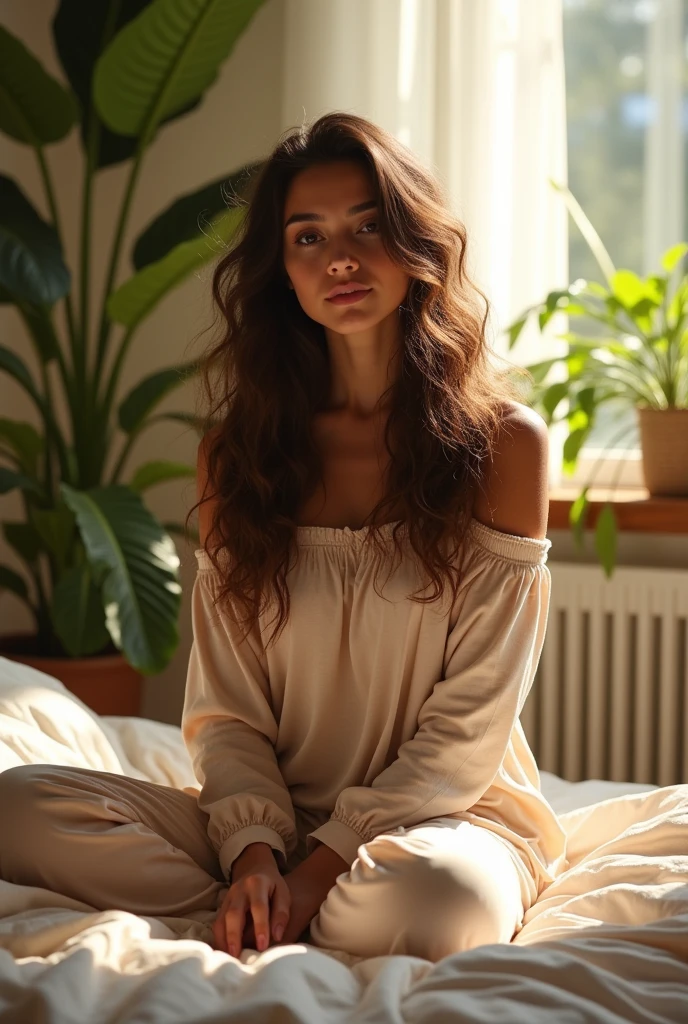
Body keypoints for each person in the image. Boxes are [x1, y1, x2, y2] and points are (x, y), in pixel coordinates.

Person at [0, 111, 568, 964]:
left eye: (368, 226)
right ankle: (261, 905)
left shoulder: (504, 447)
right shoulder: (239, 456)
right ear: (283, 273)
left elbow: (467, 729)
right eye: (309, 237)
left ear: (416, 245)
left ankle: (285, 911)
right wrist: (260, 854)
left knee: (440, 901)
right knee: (19, 808)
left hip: (440, 818)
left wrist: (324, 865)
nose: (340, 257)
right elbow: (227, 713)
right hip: (268, 822)